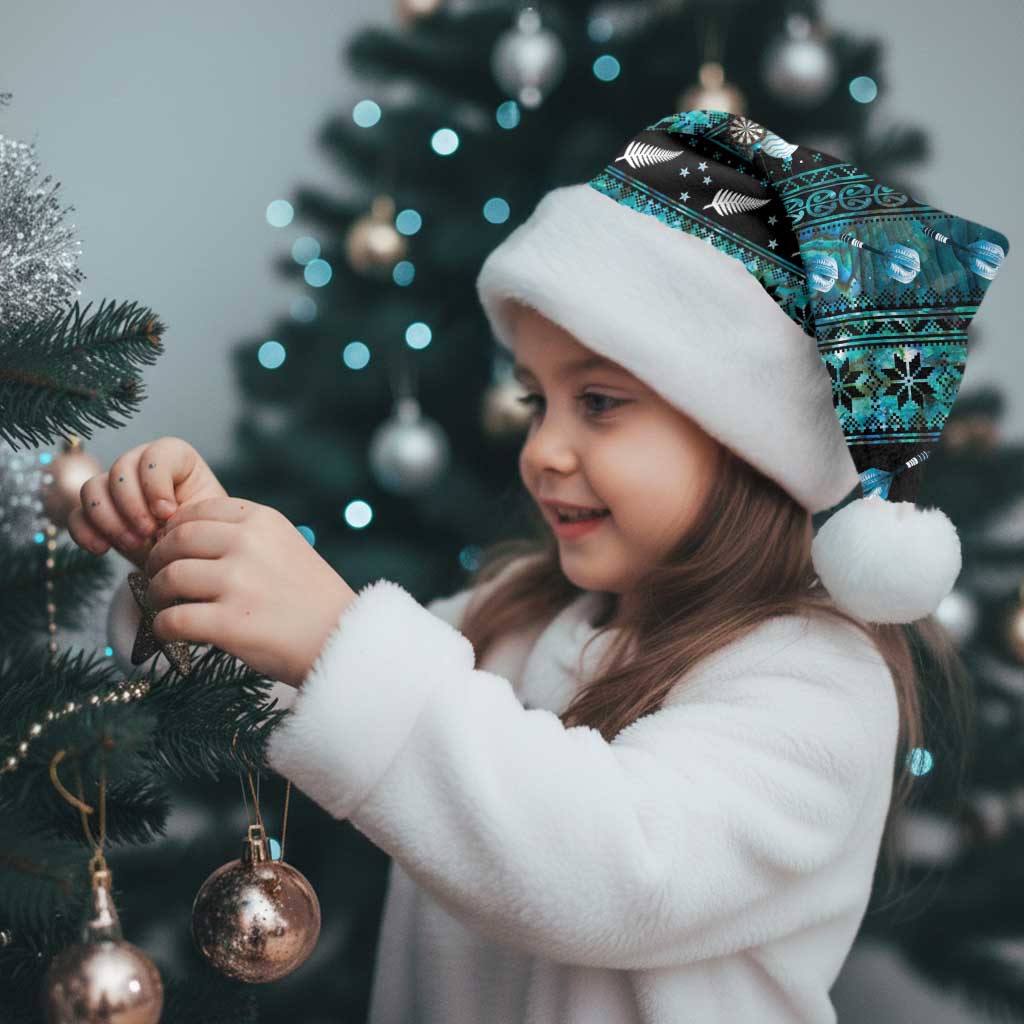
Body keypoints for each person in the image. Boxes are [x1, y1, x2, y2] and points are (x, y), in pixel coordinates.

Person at [72, 109, 1009, 1023]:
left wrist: (335, 637)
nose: (543, 450)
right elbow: (306, 693)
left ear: (748, 440)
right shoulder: (514, 616)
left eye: (598, 402)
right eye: (535, 402)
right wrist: (190, 566)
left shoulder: (819, 683)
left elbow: (615, 871)